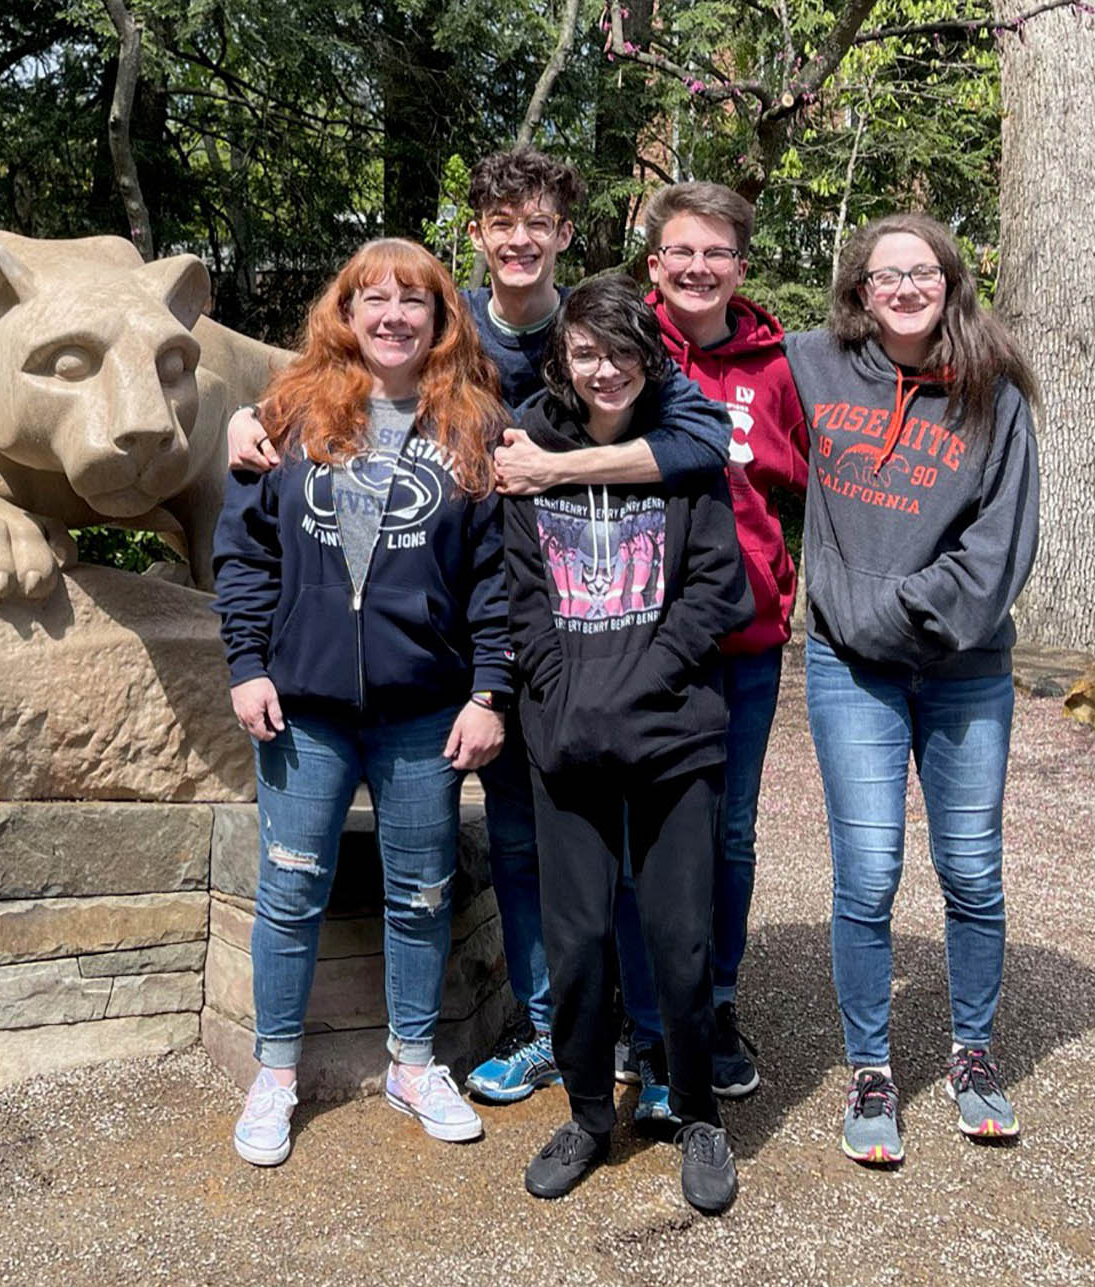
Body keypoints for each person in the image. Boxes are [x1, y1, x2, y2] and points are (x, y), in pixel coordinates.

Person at [223, 147, 733, 1108]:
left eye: (538, 222)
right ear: (479, 237)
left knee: (638, 858)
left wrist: (554, 472)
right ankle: (553, 1027)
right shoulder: (421, 324)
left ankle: (650, 1038)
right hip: (495, 664)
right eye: (503, 223)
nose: (520, 239)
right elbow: (286, 466)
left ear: (565, 236)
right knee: (522, 848)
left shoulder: (593, 326)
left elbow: (701, 436)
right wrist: (247, 420)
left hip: (585, 656)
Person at [211, 237, 513, 1167]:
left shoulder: (476, 426)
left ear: (439, 316)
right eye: (372, 299)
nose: (392, 316)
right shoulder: (289, 414)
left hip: (426, 709)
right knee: (291, 888)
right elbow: (245, 553)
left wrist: (490, 689)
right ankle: (274, 1074)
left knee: (421, 893)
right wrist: (247, 664)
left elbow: (499, 575)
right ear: (344, 314)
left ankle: (414, 1062)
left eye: (412, 300)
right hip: (304, 707)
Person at [785, 213, 1040, 1165]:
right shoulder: (812, 364)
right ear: (858, 288)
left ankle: (972, 1055)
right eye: (885, 274)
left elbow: (997, 550)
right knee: (869, 871)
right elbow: (689, 369)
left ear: (950, 281)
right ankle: (872, 1068)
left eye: (921, 271)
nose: (903, 287)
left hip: (964, 668)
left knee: (970, 867)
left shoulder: (994, 393)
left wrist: (887, 610)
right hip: (849, 670)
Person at [503, 273, 753, 1215]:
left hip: (674, 736)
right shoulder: (528, 455)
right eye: (586, 352)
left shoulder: (683, 464)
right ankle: (584, 1113)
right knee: (575, 943)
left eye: (622, 353)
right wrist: (565, 700)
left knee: (680, 939)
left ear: (650, 360)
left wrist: (639, 686)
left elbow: (715, 593)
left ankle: (696, 1114)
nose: (605, 370)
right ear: (564, 360)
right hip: (563, 736)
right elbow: (520, 592)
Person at [607, 182, 811, 1116]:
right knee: (631, 827)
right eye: (680, 251)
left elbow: (829, 474)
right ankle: (639, 1008)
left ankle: (716, 1002)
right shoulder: (618, 347)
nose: (697, 268)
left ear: (740, 263)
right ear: (654, 261)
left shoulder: (781, 367)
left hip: (744, 638)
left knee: (729, 828)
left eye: (716, 252)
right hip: (632, 633)